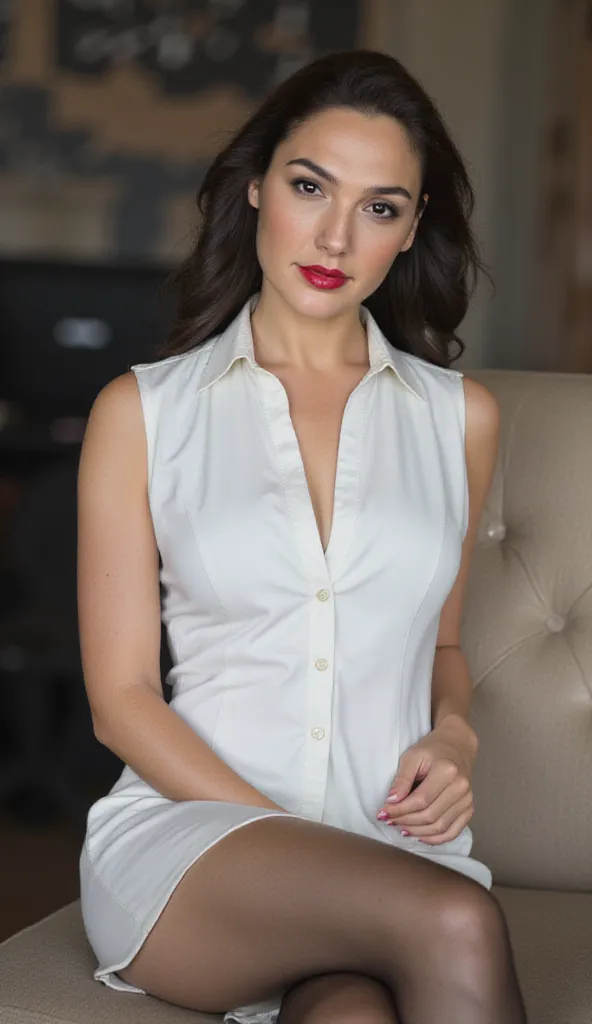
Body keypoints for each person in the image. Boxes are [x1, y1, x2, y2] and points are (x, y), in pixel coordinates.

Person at [77, 48, 528, 1024]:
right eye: (310, 185)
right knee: (455, 923)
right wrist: (296, 844)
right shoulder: (143, 413)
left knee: (350, 1013)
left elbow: (442, 645)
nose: (334, 234)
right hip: (192, 845)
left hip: (388, 847)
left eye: (379, 206)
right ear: (254, 188)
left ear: (410, 233)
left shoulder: (460, 420)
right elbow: (119, 701)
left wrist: (455, 737)